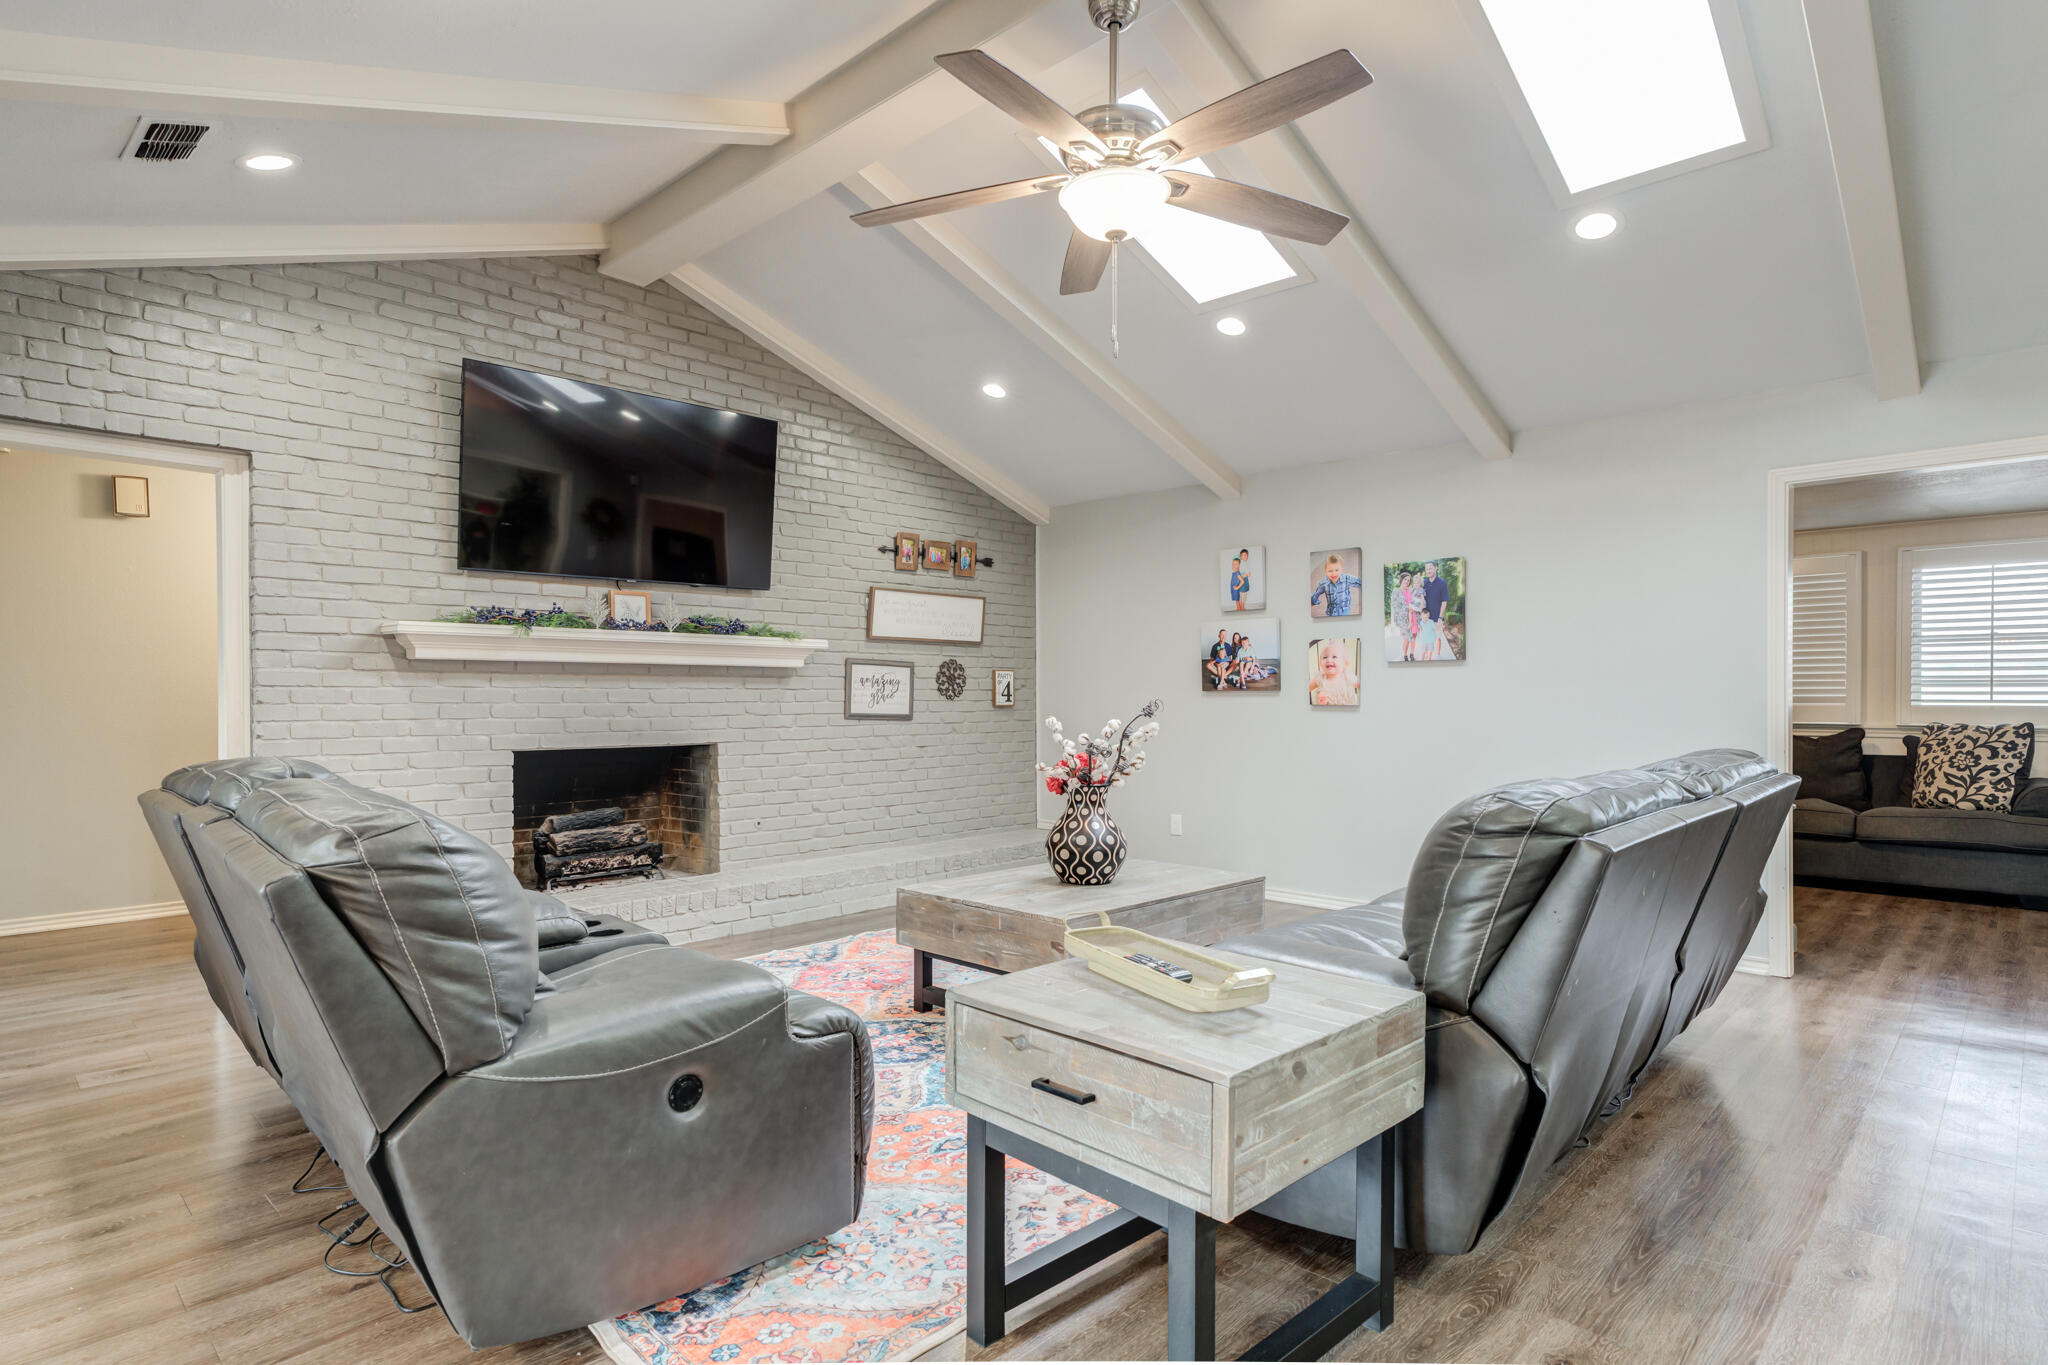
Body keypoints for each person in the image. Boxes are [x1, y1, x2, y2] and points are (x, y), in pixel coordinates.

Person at [1309, 638, 1358, 706]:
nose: (1328, 660)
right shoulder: (1319, 678)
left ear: (1345, 663)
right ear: (1320, 663)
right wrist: (1319, 699)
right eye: (1325, 657)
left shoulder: (1348, 676)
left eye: (1334, 657)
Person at [1421, 560, 1451, 661]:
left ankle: (1437, 655)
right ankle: (1426, 656)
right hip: (1426, 618)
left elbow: (1444, 602)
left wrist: (1440, 618)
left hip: (1437, 617)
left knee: (1437, 638)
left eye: (1430, 568)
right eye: (1426, 569)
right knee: (1426, 638)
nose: (1428, 570)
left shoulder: (1442, 583)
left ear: (1436, 568)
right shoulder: (1424, 582)